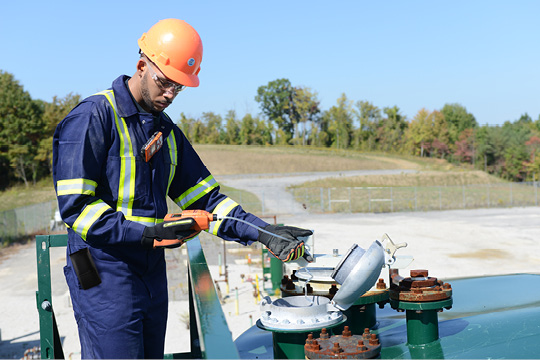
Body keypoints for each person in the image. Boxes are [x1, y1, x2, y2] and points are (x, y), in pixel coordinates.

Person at [52, 18, 312, 359]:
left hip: (150, 271)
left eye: (179, 87)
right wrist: (147, 234)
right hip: (105, 273)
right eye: (165, 83)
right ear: (142, 65)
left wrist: (262, 233)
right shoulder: (94, 117)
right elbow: (77, 208)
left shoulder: (167, 133)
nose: (171, 94)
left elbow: (208, 200)